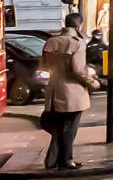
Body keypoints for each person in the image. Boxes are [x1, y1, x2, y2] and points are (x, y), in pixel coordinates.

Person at [40, 13, 97, 170]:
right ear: (79, 26)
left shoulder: (50, 42)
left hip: (53, 91)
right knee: (70, 128)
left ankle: (52, 160)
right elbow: (78, 70)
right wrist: (92, 82)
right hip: (72, 93)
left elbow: (43, 69)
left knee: (59, 127)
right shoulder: (78, 43)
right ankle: (66, 160)